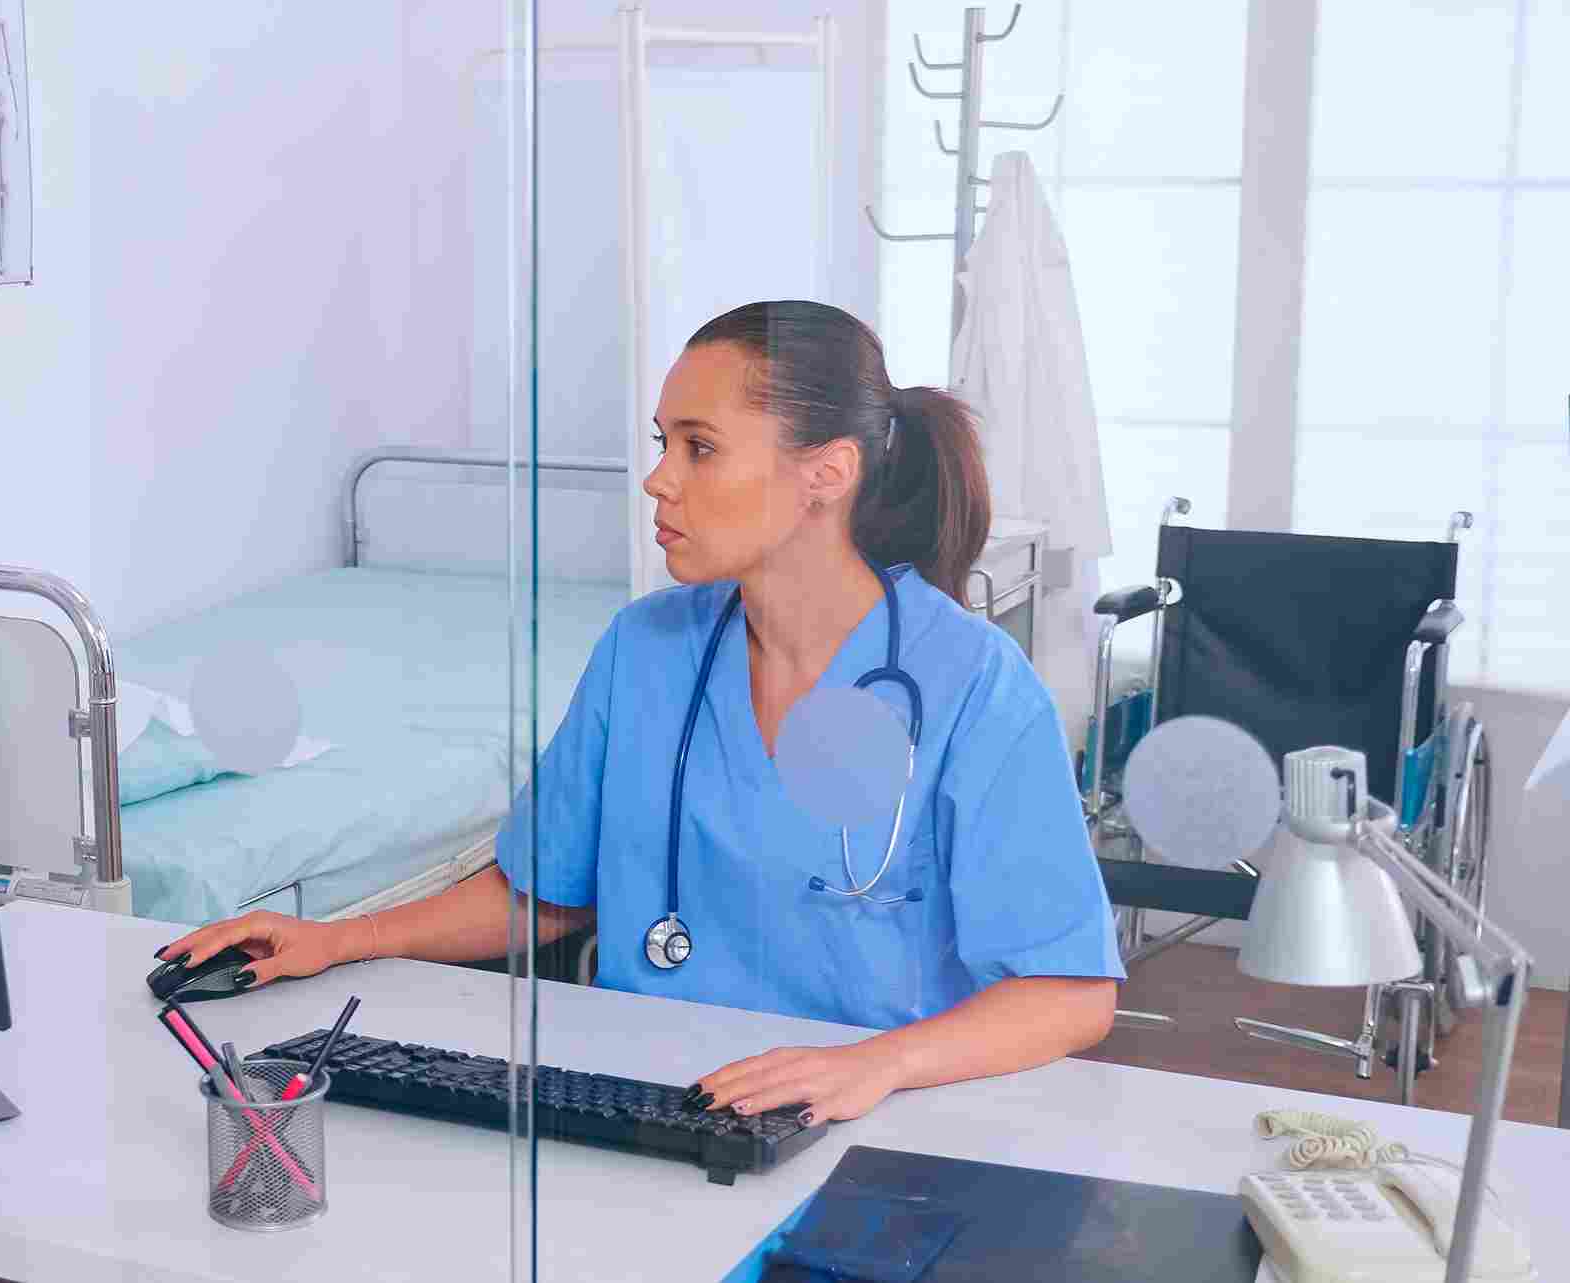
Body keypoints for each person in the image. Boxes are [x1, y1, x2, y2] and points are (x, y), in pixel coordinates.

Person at [157, 301, 1122, 1125]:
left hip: (866, 1122)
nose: (659, 478)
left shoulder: (968, 685)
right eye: (664, 443)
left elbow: (1070, 993)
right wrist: (335, 939)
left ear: (825, 474)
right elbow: (550, 888)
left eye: (700, 448)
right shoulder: (645, 650)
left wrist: (881, 1063)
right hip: (650, 1104)